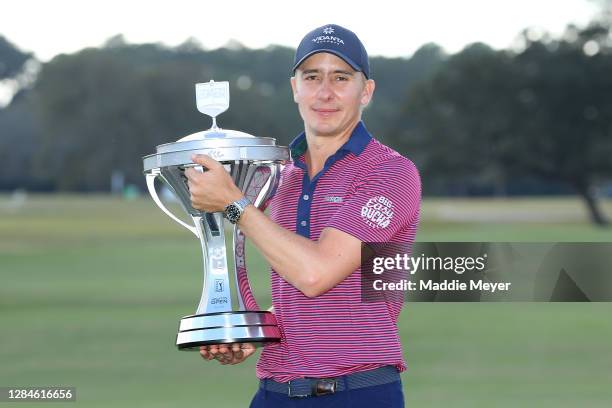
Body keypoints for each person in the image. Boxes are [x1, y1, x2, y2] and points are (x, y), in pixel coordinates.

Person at [185, 23, 421, 408]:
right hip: (275, 391)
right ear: (295, 87)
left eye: (340, 78)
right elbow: (302, 293)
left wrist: (234, 203)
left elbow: (317, 273)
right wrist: (256, 329)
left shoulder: (390, 172)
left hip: (358, 393)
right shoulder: (279, 177)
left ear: (367, 91)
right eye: (312, 77)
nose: (325, 92)